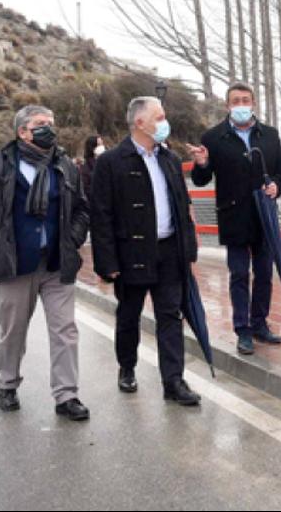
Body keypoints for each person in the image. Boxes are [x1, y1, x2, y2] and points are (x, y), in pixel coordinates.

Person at [0, 104, 92, 420]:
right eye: (40, 124)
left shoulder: (64, 165)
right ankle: (8, 384)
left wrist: (72, 239)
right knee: (13, 331)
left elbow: (81, 208)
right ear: (23, 131)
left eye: (51, 123)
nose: (48, 128)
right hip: (15, 265)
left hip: (55, 264)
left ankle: (67, 395)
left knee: (65, 330)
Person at [91, 96, 201, 406]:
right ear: (140, 122)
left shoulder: (169, 159)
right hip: (131, 254)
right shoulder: (110, 162)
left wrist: (188, 252)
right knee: (129, 315)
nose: (165, 123)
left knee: (170, 315)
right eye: (159, 117)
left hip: (169, 252)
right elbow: (101, 216)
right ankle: (127, 366)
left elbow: (183, 207)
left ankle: (173, 381)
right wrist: (107, 263)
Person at [189, 82, 281, 355]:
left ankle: (259, 323)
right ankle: (242, 329)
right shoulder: (214, 137)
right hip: (233, 213)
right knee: (238, 274)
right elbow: (201, 180)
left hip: (264, 214)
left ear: (253, 103)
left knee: (265, 273)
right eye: (236, 101)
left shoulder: (269, 135)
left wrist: (277, 187)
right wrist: (201, 164)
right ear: (228, 105)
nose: (241, 105)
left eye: (246, 100)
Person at [82, 135, 105, 203]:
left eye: (102, 144)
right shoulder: (85, 168)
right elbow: (85, 190)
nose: (102, 147)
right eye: (99, 145)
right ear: (93, 147)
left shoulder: (106, 163)